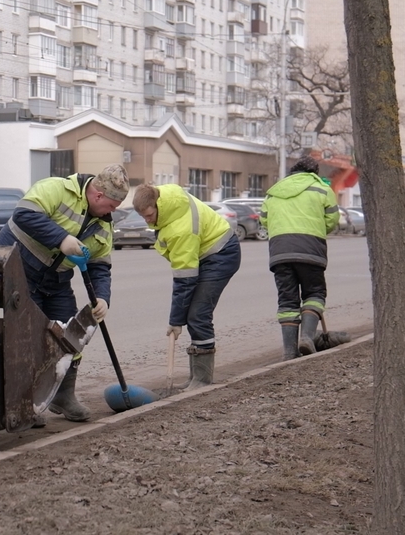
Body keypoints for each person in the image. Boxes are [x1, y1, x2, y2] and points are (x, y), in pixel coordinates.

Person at [0, 164, 130, 422]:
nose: (113, 212)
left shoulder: (103, 226)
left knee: (72, 333)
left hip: (55, 280)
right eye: (112, 205)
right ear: (98, 196)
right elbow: (24, 214)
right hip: (17, 269)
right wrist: (61, 239)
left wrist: (102, 297)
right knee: (28, 338)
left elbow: (100, 265)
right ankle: (23, 405)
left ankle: (62, 395)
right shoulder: (57, 188)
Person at [133, 183, 241, 390]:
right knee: (194, 313)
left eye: (149, 215)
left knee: (198, 315)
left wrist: (176, 321)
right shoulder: (168, 200)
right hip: (206, 254)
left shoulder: (181, 229)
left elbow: (184, 280)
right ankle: (195, 377)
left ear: (158, 205)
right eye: (143, 217)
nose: (147, 221)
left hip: (221, 255)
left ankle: (202, 379)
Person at [259, 156, 340, 360]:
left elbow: (264, 221)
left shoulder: (273, 192)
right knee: (315, 292)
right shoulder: (321, 189)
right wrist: (317, 228)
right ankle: (306, 337)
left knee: (287, 301)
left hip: (280, 252)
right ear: (314, 172)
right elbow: (331, 220)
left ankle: (289, 352)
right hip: (310, 249)